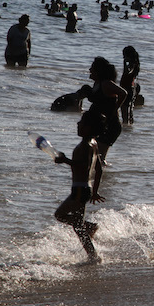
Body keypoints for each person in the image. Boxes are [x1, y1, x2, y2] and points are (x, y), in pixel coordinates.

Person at [54, 109, 106, 263]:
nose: (78, 124)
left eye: (82, 123)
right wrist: (94, 191)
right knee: (75, 223)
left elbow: (82, 165)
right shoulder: (94, 144)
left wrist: (65, 160)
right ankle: (89, 233)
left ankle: (93, 255)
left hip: (79, 189)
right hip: (85, 188)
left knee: (63, 217)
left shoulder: (85, 145)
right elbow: (99, 168)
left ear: (89, 127)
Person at [87, 57, 127, 162]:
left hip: (110, 125)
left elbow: (123, 93)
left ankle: (103, 176)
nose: (89, 70)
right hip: (100, 125)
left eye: (92, 68)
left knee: (99, 157)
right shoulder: (97, 84)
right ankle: (103, 176)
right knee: (94, 155)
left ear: (98, 71)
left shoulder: (106, 84)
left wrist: (115, 109)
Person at [120, 46, 140, 125]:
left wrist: (124, 63)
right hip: (130, 88)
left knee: (125, 112)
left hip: (127, 89)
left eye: (124, 55)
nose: (123, 57)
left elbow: (128, 73)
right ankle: (129, 128)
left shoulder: (132, 65)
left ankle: (126, 129)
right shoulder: (135, 64)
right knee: (129, 112)